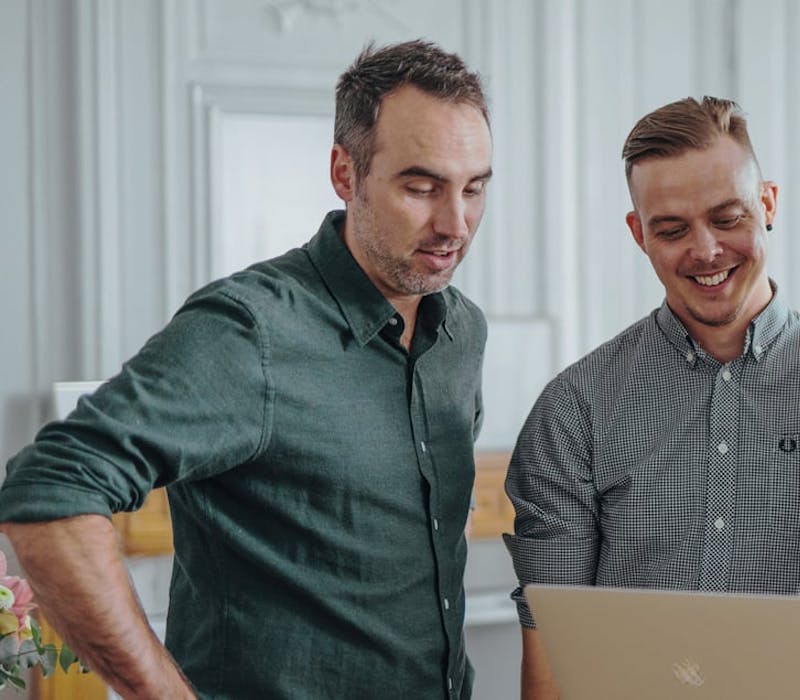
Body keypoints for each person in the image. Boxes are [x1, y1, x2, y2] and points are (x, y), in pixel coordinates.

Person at [0, 39, 492, 699]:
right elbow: (48, 492)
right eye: (422, 187)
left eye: (475, 188)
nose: (455, 223)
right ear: (346, 174)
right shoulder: (248, 332)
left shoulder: (460, 331)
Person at [504, 96, 800, 698]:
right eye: (672, 229)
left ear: (769, 204)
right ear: (638, 234)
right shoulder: (574, 408)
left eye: (728, 219)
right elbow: (551, 631)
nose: (705, 251)